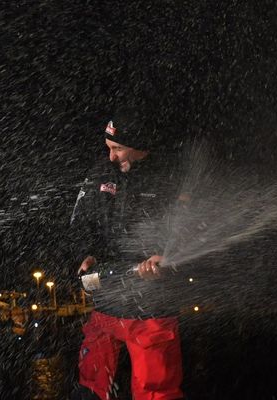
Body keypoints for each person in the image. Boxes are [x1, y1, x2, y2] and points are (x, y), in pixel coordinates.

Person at [69, 106, 185, 400]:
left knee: (156, 390)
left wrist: (164, 257)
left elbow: (187, 228)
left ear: (139, 147)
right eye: (108, 147)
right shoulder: (100, 173)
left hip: (151, 306)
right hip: (107, 297)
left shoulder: (168, 177)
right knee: (92, 383)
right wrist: (86, 254)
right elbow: (80, 223)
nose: (111, 157)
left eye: (118, 149)